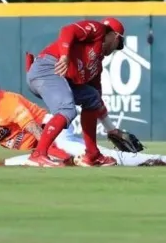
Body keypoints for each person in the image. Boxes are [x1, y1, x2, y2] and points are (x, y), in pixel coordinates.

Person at [0, 70, 166, 167]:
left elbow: (36, 130)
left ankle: (165, 159)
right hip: (41, 146)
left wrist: (48, 153)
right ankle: (61, 159)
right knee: (12, 164)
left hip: (53, 132)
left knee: (95, 155)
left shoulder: (8, 102)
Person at [24, 17, 126, 167]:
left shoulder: (95, 67)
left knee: (92, 98)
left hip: (56, 77)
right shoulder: (98, 30)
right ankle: (38, 154)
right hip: (47, 67)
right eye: (118, 45)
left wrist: (111, 130)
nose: (115, 49)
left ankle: (92, 155)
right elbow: (67, 30)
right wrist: (65, 56)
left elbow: (98, 104)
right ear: (116, 36)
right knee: (67, 109)